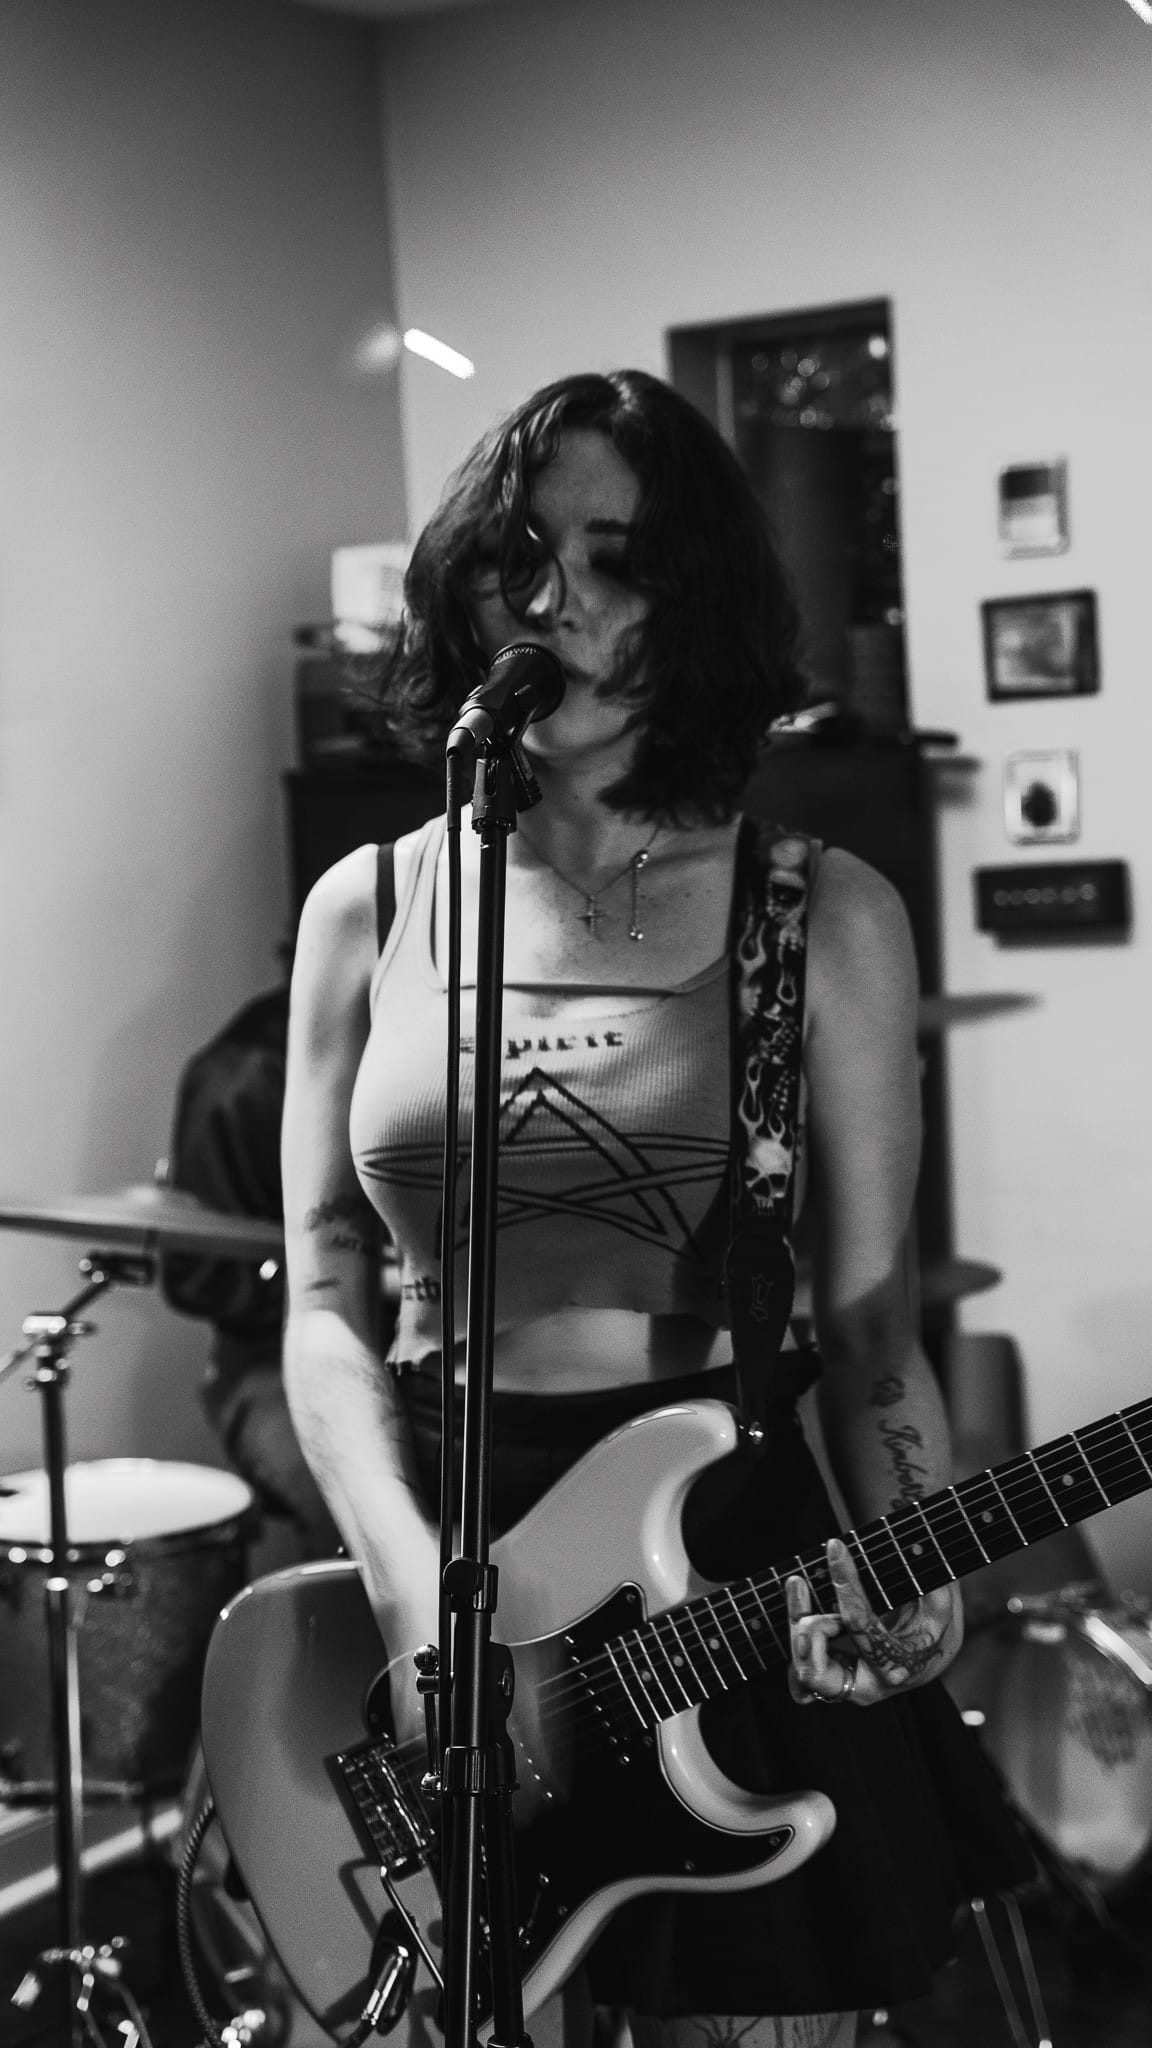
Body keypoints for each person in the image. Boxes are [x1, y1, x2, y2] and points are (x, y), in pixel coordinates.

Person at [280, 369, 1029, 2048]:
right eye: (516, 556)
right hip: (441, 1541)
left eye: (615, 560)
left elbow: (859, 1321)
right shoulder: (371, 900)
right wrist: (408, 1579)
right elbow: (324, 1282)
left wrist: (916, 1558)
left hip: (721, 1570)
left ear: (689, 598)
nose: (556, 603)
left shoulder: (813, 914)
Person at [160, 979, 344, 1560]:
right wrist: (345, 1281)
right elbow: (198, 1277)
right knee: (358, 1508)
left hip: (432, 1349)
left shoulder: (428, 1040)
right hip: (271, 1361)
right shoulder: (240, 1075)